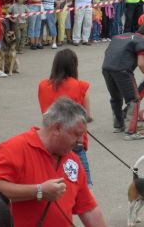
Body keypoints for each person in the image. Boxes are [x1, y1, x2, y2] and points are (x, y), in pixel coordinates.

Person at [0, 98, 107, 227]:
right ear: (57, 128)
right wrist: (38, 191)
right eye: (77, 134)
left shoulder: (72, 159)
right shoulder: (13, 149)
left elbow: (89, 209)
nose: (81, 141)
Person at [38, 48, 93, 186]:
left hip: (50, 140)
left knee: (54, 182)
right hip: (73, 141)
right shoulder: (81, 86)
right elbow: (87, 116)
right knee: (84, 186)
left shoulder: (43, 85)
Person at [102, 25, 144, 140]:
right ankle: (130, 132)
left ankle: (118, 126)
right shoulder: (142, 41)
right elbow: (141, 63)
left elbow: (108, 52)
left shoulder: (120, 36)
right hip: (123, 70)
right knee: (134, 100)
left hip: (106, 68)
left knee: (115, 98)